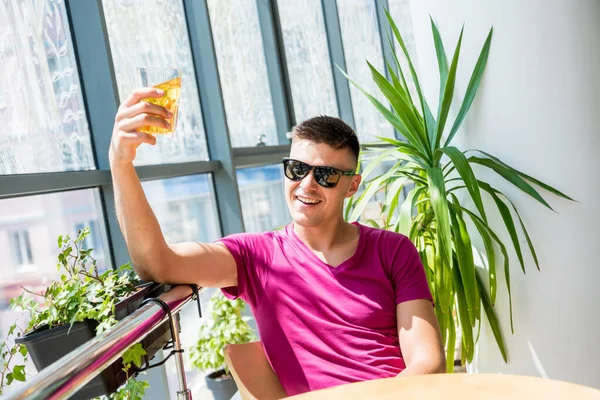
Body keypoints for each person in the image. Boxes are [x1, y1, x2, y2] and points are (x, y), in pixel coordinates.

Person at [109, 87, 446, 396]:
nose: (307, 185)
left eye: (326, 175)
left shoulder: (393, 250)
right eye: (297, 169)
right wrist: (121, 162)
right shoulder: (257, 256)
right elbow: (157, 263)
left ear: (353, 185)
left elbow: (428, 361)